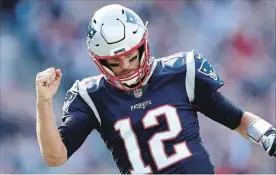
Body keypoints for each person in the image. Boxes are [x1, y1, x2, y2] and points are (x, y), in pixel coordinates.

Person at [36, 4, 276, 174]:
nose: (126, 67)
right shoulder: (91, 96)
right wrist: (44, 103)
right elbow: (55, 157)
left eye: (131, 57)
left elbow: (237, 119)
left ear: (144, 44)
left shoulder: (181, 72)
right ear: (99, 61)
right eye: (115, 62)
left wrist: (266, 133)